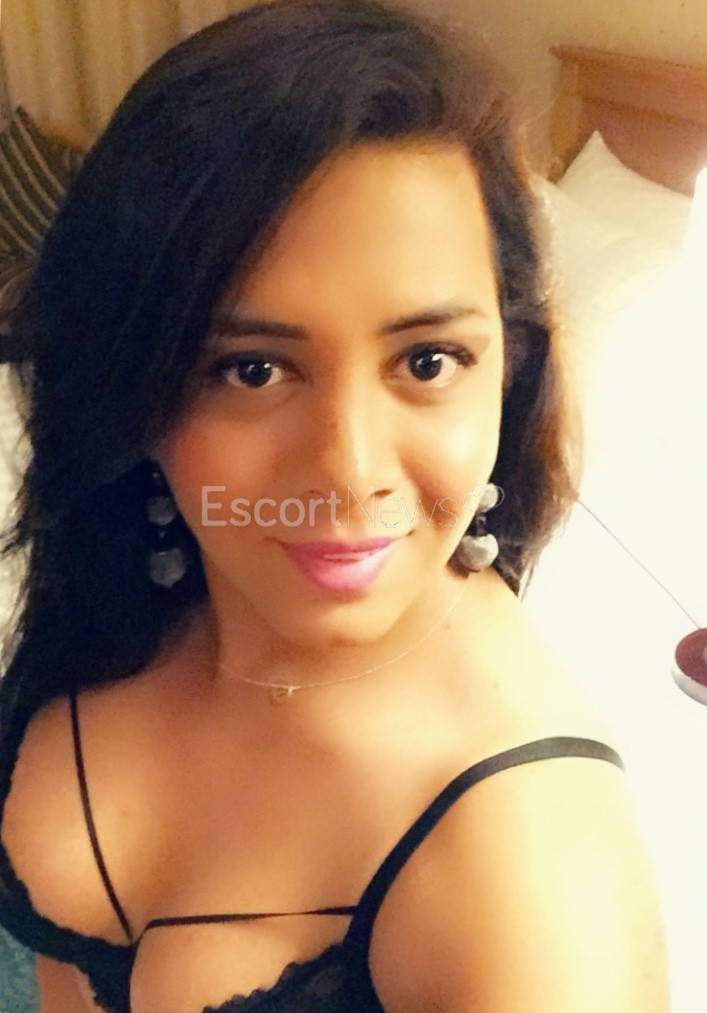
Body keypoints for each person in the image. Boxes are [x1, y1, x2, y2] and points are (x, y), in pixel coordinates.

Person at [0, 1, 668, 1011]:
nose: (348, 473)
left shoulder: (530, 884)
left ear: (508, 367)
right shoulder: (132, 565)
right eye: (253, 368)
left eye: (427, 361)